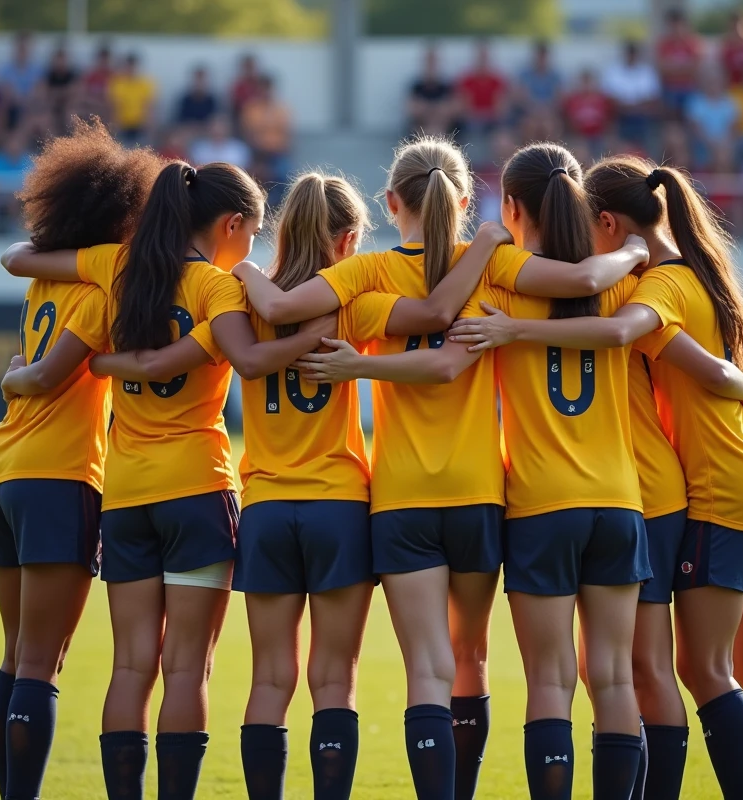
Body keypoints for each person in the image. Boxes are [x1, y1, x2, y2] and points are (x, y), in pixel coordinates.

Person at [447, 156, 743, 800]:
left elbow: (623, 331)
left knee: (661, 670)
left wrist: (510, 321)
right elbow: (711, 365)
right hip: (702, 484)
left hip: (663, 491)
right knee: (684, 668)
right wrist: (740, 383)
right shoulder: (644, 277)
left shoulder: (638, 286)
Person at [234, 136, 648, 800]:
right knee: (474, 660)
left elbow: (290, 310)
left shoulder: (366, 276)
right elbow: (572, 285)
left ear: (391, 202)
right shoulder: (493, 268)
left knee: (425, 671)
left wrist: (246, 272)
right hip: (484, 493)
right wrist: (631, 250)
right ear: (463, 202)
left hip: (399, 497)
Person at [2, 157, 336, 800]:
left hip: (125, 495)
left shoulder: (116, 265)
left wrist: (104, 363)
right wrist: (315, 333)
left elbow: (20, 258)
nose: (251, 246)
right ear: (230, 224)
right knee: (186, 668)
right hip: (196, 490)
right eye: (251, 232)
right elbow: (249, 359)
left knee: (130, 665)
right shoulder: (218, 287)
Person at [0, 118, 164, 800]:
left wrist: (15, 377)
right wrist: (19, 378)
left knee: (13, 657)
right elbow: (52, 375)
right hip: (58, 476)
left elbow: (16, 259)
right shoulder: (102, 284)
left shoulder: (45, 279)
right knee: (40, 663)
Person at [600, 42, 661, 147]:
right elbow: (608, 97)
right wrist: (626, 108)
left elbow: (653, 97)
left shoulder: (647, 71)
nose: (631, 56)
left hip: (642, 115)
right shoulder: (614, 71)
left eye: (633, 54)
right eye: (629, 53)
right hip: (620, 115)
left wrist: (635, 108)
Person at [654, 8, 703, 118]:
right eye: (673, 25)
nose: (676, 29)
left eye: (679, 25)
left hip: (689, 87)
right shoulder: (663, 44)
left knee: (691, 117)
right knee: (671, 119)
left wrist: (673, 66)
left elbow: (695, 67)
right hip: (670, 88)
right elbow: (662, 68)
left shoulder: (693, 43)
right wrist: (684, 66)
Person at [456, 39, 508, 133]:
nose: (482, 60)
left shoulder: (497, 81)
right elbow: (465, 110)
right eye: (480, 56)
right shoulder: (466, 81)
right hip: (471, 123)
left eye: (484, 56)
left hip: (492, 124)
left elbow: (500, 110)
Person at [408, 45, 459, 137]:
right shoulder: (416, 87)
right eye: (429, 62)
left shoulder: (447, 86)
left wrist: (429, 109)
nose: (431, 65)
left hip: (443, 126)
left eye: (433, 62)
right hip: (423, 126)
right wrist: (435, 109)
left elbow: (453, 108)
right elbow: (412, 109)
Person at [107, 53, 156, 146]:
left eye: (133, 66)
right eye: (128, 66)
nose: (130, 69)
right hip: (122, 126)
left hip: (140, 126)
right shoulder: (117, 83)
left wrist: (149, 129)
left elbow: (150, 108)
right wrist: (113, 128)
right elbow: (113, 108)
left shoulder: (145, 84)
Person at [516, 40, 562, 113]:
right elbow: (521, 96)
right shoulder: (525, 75)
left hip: (549, 111)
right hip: (529, 111)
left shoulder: (555, 77)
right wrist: (534, 108)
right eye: (539, 57)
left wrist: (544, 108)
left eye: (543, 57)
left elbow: (558, 98)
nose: (541, 60)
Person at [176, 66, 219, 130]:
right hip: (189, 131)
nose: (200, 83)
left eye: (202, 80)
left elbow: (216, 120)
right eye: (197, 80)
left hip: (207, 132)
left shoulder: (212, 101)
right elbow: (180, 122)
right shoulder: (185, 101)